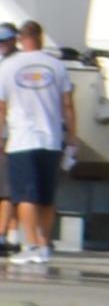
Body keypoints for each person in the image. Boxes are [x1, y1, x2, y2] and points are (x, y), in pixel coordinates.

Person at [0, 19, 70, 275]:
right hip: (52, 139)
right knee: (46, 196)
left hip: (22, 139)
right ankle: (43, 243)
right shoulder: (57, 65)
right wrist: (72, 137)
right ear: (41, 37)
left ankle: (30, 246)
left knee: (25, 197)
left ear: (20, 39)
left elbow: (1, 106)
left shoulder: (8, 67)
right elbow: (68, 104)